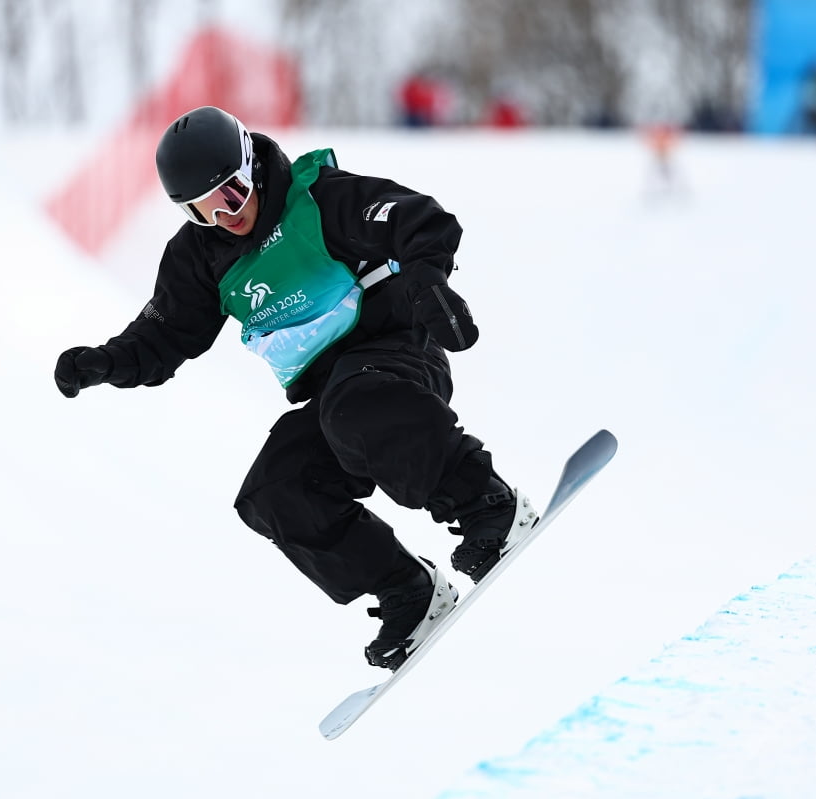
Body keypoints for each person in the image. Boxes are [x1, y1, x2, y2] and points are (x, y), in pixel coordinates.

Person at [53, 106, 537, 670]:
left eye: (230, 195)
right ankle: (409, 591)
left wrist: (429, 284)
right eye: (201, 210)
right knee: (275, 490)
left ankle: (490, 505)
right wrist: (105, 362)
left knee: (356, 404)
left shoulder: (318, 200)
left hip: (397, 356)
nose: (224, 216)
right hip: (334, 396)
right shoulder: (200, 256)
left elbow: (420, 220)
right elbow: (164, 334)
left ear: (251, 166)